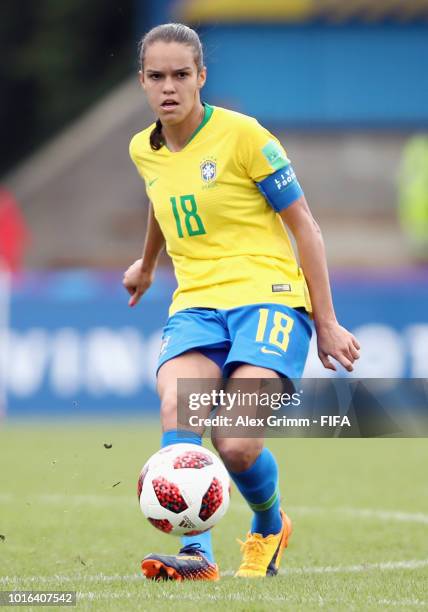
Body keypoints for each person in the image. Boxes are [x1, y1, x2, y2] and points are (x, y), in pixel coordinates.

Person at [124, 22, 360, 581]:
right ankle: (197, 555)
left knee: (234, 442)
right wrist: (149, 265)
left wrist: (325, 321)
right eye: (157, 76)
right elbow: (162, 200)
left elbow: (305, 226)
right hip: (196, 304)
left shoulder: (246, 136)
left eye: (182, 75)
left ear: (201, 76)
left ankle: (269, 525)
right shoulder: (143, 148)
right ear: (143, 81)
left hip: (269, 299)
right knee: (178, 412)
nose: (169, 87)